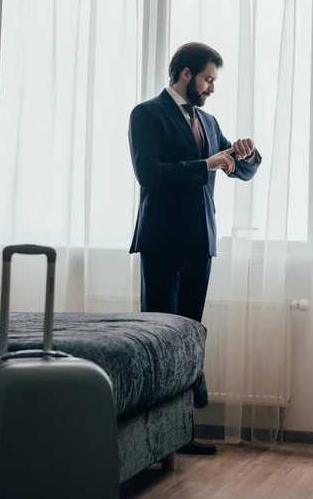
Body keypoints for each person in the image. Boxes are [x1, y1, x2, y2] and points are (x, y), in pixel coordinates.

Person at [128, 42, 262, 455]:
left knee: (188, 338)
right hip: (162, 241)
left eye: (214, 81)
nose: (211, 88)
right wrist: (207, 164)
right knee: (159, 339)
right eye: (208, 79)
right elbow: (148, 174)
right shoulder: (146, 113)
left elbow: (239, 169)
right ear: (185, 74)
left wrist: (247, 155)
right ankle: (152, 438)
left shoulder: (208, 119)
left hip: (200, 242)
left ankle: (181, 433)